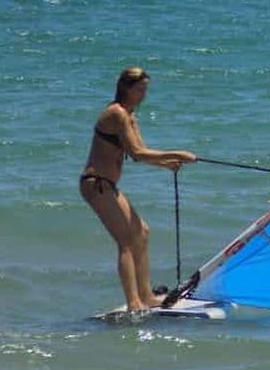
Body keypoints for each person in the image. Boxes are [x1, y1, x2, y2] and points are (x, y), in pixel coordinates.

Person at [79, 67, 197, 311]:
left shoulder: (130, 116)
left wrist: (167, 165)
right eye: (139, 89)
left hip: (107, 186)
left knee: (141, 232)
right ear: (125, 88)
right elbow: (137, 152)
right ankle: (134, 303)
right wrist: (178, 153)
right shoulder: (116, 113)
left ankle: (146, 297)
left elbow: (140, 154)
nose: (143, 95)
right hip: (96, 184)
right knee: (125, 241)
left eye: (146, 90)